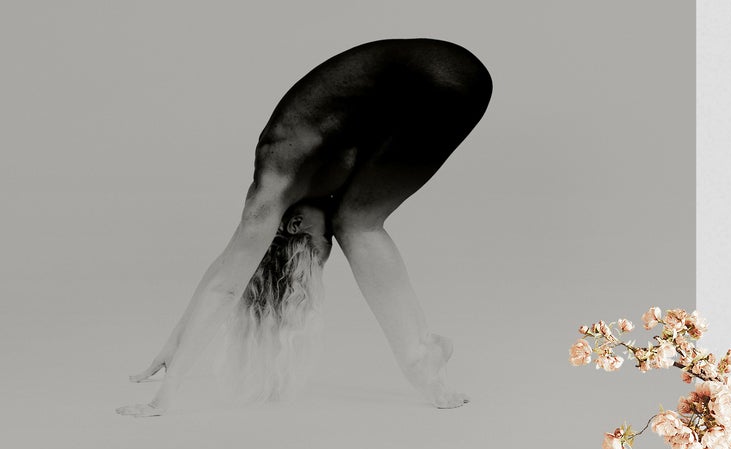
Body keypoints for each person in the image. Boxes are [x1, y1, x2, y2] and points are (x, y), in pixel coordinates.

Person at [123, 35, 492, 413]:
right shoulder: (294, 182)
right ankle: (422, 354)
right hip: (451, 73)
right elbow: (225, 268)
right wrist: (175, 340)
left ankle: (420, 359)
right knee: (356, 218)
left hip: (441, 83)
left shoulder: (272, 191)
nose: (329, 239)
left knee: (355, 224)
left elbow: (225, 288)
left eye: (321, 246)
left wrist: (166, 394)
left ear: (295, 225)